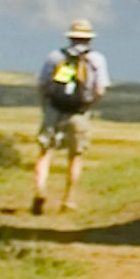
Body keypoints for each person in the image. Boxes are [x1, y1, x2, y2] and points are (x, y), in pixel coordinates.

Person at [28, 19, 109, 216]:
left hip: (53, 109)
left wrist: (45, 107)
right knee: (75, 157)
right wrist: (88, 105)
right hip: (79, 112)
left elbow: (42, 84)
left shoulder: (55, 56)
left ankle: (40, 190)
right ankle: (68, 199)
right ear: (89, 39)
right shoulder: (96, 60)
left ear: (70, 38)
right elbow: (100, 90)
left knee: (45, 152)